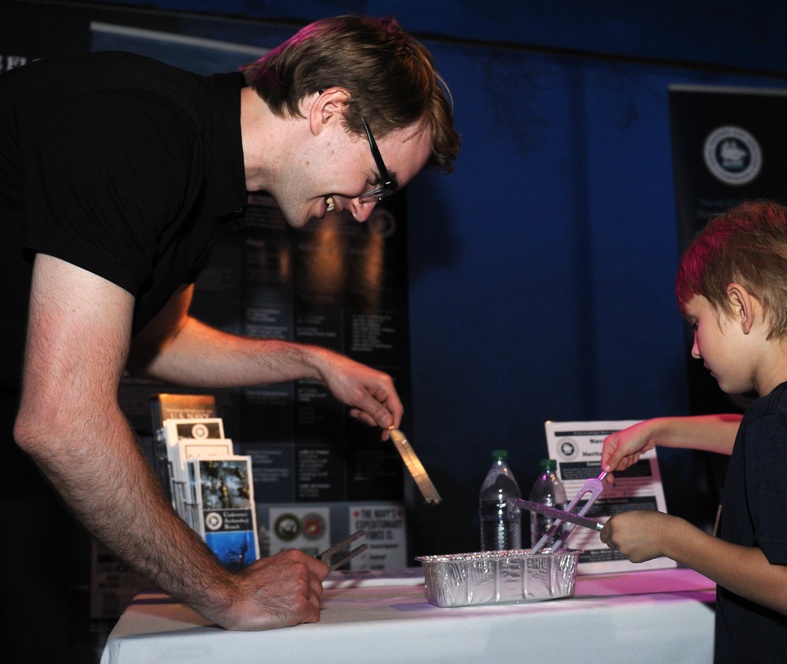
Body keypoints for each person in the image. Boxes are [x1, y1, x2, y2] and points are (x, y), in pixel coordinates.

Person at [0, 13, 460, 657]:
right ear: (329, 108)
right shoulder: (137, 125)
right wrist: (229, 594)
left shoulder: (206, 183)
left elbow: (156, 342)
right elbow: (61, 419)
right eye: (378, 180)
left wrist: (313, 362)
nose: (365, 209)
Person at [599, 200, 787, 663]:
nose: (696, 350)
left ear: (740, 306)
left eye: (697, 324)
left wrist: (670, 537)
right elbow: (754, 441)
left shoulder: (779, 422)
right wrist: (661, 431)